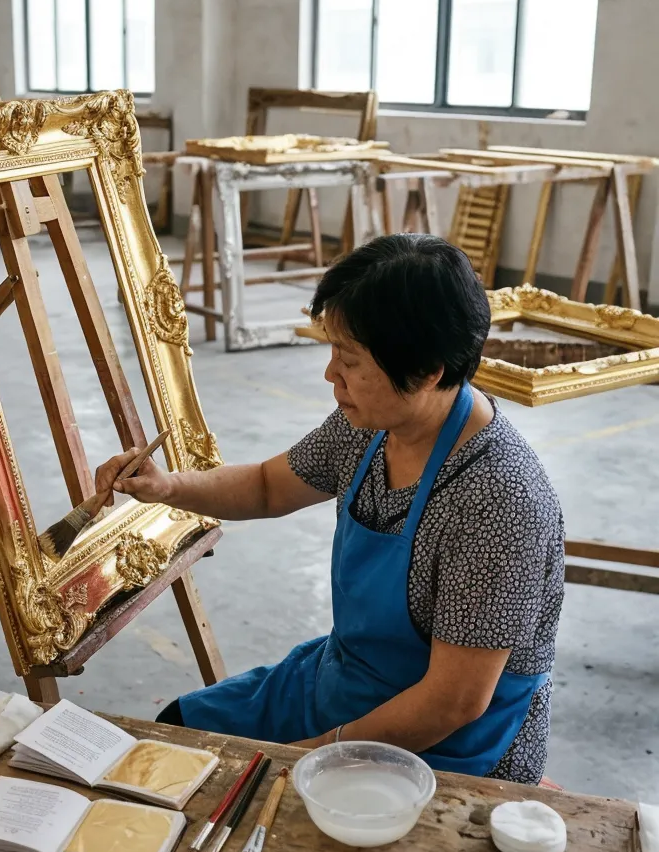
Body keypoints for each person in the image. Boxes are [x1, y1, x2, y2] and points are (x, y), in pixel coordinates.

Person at [94, 235, 565, 784]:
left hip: (450, 738)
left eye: (349, 359)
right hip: (350, 677)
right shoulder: (367, 428)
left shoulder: (499, 500)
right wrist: (169, 485)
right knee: (177, 730)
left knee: (252, 796)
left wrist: (317, 753)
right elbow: (269, 487)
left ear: (429, 370)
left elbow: (453, 702)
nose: (329, 375)